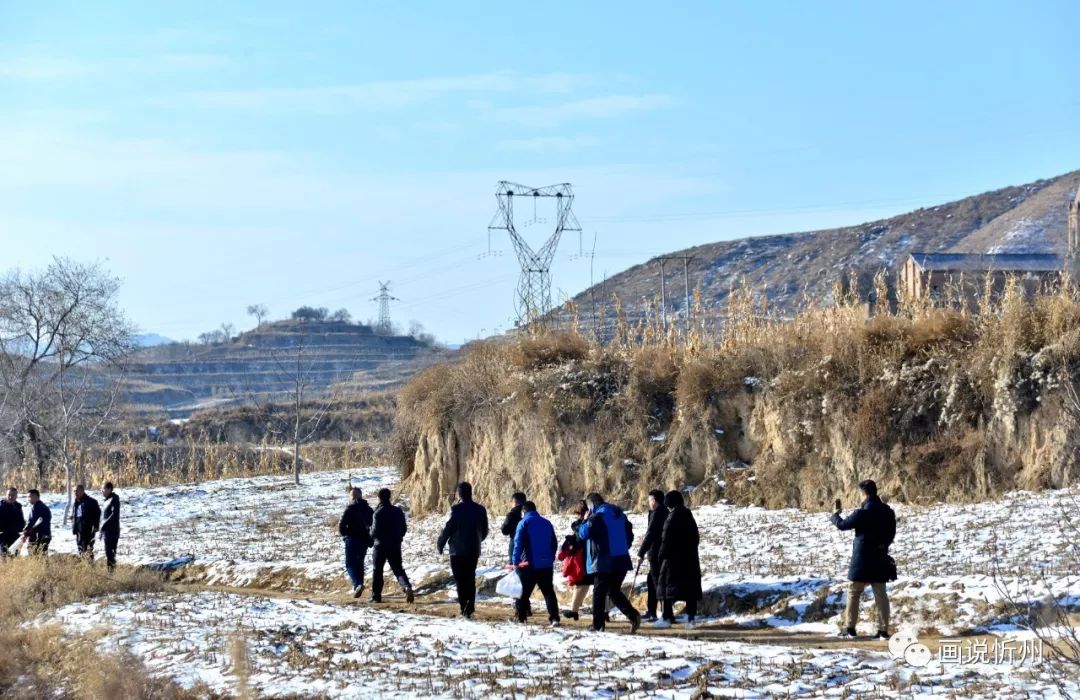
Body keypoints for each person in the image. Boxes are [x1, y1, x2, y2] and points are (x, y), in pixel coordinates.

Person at [832, 479, 896, 639]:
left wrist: (834, 515)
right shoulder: (888, 511)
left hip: (861, 559)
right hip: (880, 556)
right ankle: (883, 630)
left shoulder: (862, 513)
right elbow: (891, 534)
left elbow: (842, 525)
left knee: (854, 592)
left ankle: (850, 628)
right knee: (881, 594)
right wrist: (883, 545)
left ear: (863, 494)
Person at [578, 492, 641, 633]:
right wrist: (624, 546)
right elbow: (629, 535)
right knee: (613, 591)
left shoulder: (597, 517)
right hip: (621, 559)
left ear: (592, 504)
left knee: (599, 593)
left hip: (603, 560)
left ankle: (597, 625)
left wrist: (584, 520)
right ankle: (633, 616)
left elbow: (583, 534)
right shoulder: (619, 514)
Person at [436, 482, 489, 619]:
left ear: (459, 494)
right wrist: (477, 540)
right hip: (473, 550)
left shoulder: (456, 509)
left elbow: (448, 528)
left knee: (460, 580)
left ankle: (463, 607)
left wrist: (440, 544)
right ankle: (470, 608)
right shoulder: (480, 509)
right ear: (471, 493)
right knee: (470, 578)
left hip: (457, 551)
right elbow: (485, 531)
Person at [653, 490, 702, 629]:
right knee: (689, 591)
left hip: (672, 560)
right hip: (690, 559)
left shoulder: (672, 517)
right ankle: (691, 619)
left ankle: (667, 617)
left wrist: (660, 556)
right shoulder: (688, 515)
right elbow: (695, 538)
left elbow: (666, 540)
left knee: (665, 589)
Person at [511, 501, 561, 626]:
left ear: (524, 511)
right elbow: (553, 543)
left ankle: (521, 618)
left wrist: (515, 562)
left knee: (524, 593)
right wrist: (550, 558)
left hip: (529, 564)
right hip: (546, 564)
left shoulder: (523, 523)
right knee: (548, 592)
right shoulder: (547, 523)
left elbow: (518, 544)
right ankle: (554, 618)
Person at [370, 487, 414, 604]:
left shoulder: (377, 513)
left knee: (377, 570)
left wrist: (370, 535)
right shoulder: (398, 511)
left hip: (380, 546)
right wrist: (399, 538)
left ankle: (376, 596)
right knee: (398, 568)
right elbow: (404, 528)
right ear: (390, 497)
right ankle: (406, 586)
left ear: (379, 498)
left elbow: (374, 532)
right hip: (395, 544)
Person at [637, 489, 669, 622]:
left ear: (654, 501)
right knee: (651, 581)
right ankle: (652, 611)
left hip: (656, 553)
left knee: (658, 582)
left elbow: (650, 534)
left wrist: (641, 552)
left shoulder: (658, 513)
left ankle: (665, 613)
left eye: (649, 500)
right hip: (659, 552)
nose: (649, 503)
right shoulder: (662, 512)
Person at [557, 500, 591, 621]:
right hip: (590, 558)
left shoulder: (580, 525)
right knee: (586, 585)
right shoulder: (591, 522)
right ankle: (604, 612)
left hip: (583, 560)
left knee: (581, 584)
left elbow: (581, 538)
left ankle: (574, 611)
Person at [339, 487, 374, 598]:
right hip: (364, 540)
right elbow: (373, 526)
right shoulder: (369, 509)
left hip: (352, 539)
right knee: (360, 563)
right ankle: (360, 584)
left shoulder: (349, 509)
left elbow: (341, 527)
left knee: (350, 564)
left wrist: (346, 535)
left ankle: (357, 584)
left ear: (352, 496)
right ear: (361, 496)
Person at [72, 484, 101, 559]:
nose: (75, 493)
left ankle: (90, 567)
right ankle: (83, 566)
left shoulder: (91, 502)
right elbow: (76, 516)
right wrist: (74, 528)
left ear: (82, 491)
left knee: (88, 550)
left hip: (88, 530)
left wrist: (96, 526)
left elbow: (97, 513)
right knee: (80, 549)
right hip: (79, 531)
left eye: (77, 491)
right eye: (74, 491)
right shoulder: (76, 503)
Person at [99, 482, 121, 572]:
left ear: (109, 489)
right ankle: (110, 571)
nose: (102, 491)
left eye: (103, 489)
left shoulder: (114, 499)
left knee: (111, 554)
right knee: (108, 554)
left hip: (112, 531)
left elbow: (114, 514)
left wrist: (104, 525)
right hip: (106, 532)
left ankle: (112, 572)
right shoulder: (106, 500)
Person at [500, 492, 526, 563]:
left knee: (514, 566)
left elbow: (504, 530)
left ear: (515, 502)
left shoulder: (512, 514)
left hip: (515, 544)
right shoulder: (528, 513)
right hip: (528, 546)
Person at [24, 489, 51, 554]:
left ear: (36, 497)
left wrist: (27, 531)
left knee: (36, 555)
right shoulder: (43, 506)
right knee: (42, 555)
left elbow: (33, 523)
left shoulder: (37, 507)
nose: (28, 499)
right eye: (28, 497)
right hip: (45, 534)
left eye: (30, 497)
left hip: (40, 536)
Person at [0, 488, 26, 555]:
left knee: (15, 556)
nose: (11, 497)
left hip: (15, 536)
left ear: (16, 496)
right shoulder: (1, 507)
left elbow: (22, 522)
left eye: (13, 495)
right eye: (9, 495)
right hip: (3, 537)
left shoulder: (18, 507)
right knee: (4, 556)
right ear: (6, 495)